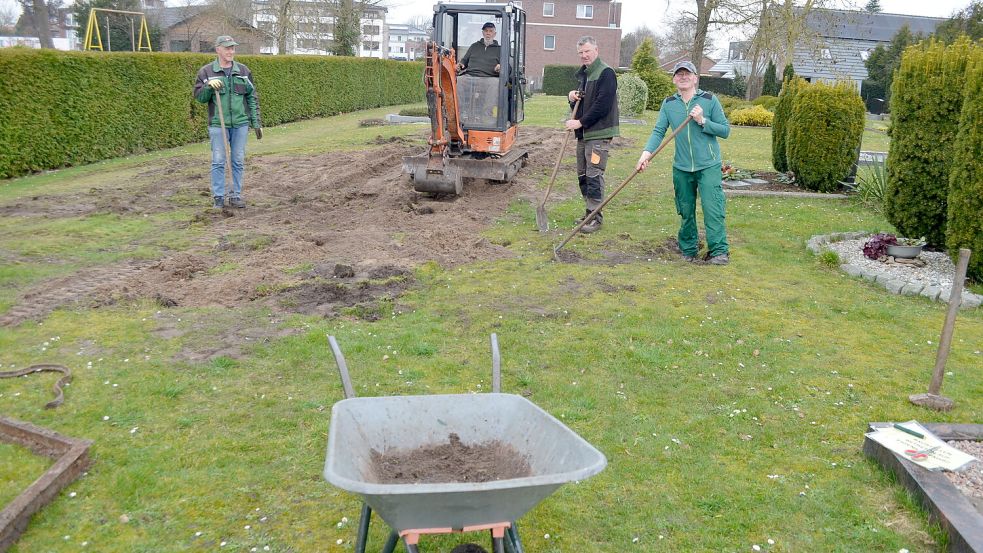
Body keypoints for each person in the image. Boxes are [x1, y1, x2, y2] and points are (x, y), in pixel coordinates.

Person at [636, 60, 731, 264]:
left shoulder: (709, 100)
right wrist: (646, 154)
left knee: (712, 208)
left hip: (708, 165)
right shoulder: (669, 104)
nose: (683, 77)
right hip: (682, 167)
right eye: (679, 74)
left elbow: (725, 130)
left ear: (696, 78)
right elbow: (658, 131)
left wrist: (702, 120)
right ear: (674, 79)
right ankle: (688, 248)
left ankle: (719, 251)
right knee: (685, 209)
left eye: (687, 74)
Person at [193, 35, 262, 209]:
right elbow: (199, 98)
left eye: (232, 48)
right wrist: (209, 87)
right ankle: (218, 197)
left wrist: (256, 123)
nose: (231, 51)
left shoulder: (243, 72)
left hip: (240, 124)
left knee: (237, 160)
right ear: (218, 50)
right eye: (227, 48)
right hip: (218, 124)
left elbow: (252, 98)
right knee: (218, 160)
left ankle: (235, 195)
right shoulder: (206, 72)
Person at [565, 36, 618, 234]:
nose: (584, 55)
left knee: (594, 174)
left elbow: (602, 105)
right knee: (583, 175)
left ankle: (596, 217)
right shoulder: (585, 75)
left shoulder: (606, 73)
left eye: (587, 51)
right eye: (580, 53)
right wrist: (572, 98)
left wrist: (580, 122)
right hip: (584, 134)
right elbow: (583, 104)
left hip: (599, 132)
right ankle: (589, 212)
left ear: (596, 49)